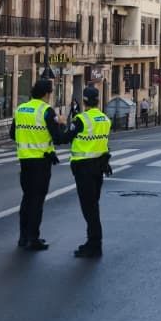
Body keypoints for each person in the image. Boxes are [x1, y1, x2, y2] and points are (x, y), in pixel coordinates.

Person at [14, 78, 66, 251]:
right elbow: (58, 138)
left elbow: (13, 134)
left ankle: (22, 237)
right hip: (41, 161)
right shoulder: (47, 111)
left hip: (24, 160)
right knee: (37, 200)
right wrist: (62, 124)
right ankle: (33, 238)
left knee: (27, 198)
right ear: (46, 94)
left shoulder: (21, 109)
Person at [64, 85, 113, 258]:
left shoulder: (81, 119)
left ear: (84, 101)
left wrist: (63, 124)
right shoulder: (105, 119)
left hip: (83, 168)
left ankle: (94, 244)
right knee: (93, 205)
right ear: (98, 100)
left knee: (89, 208)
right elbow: (104, 143)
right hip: (99, 167)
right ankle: (93, 242)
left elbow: (64, 138)